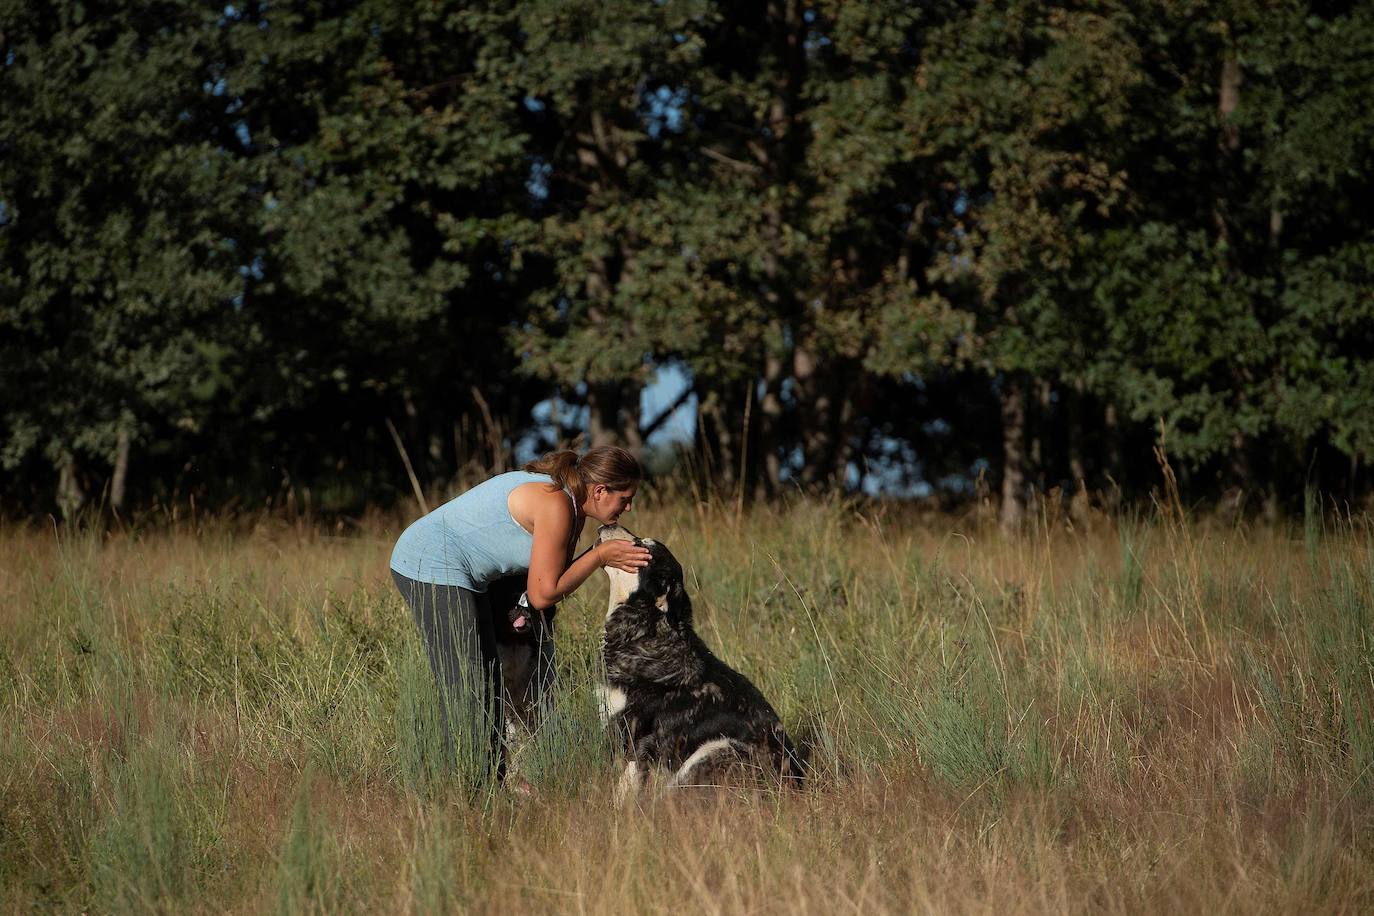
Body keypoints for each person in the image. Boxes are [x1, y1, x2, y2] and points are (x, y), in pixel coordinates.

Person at [389, 446, 651, 779]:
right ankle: (463, 790)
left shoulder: (568, 501)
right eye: (625, 498)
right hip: (429, 563)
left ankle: (489, 786)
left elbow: (545, 581)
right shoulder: (557, 505)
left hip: (462, 575)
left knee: (486, 682)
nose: (628, 507)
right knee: (468, 687)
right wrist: (599, 556)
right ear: (600, 491)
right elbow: (543, 594)